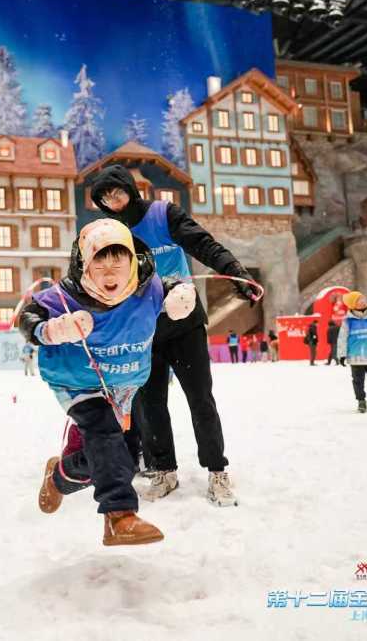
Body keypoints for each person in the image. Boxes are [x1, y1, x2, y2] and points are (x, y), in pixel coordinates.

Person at [89, 166, 257, 505]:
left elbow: (202, 244)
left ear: (129, 188)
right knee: (151, 405)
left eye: (116, 191)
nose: (112, 200)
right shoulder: (109, 232)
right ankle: (163, 469)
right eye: (104, 197)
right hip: (142, 330)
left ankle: (217, 471)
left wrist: (234, 271)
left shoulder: (162, 214)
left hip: (184, 323)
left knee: (201, 399)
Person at [22, 218, 195, 545]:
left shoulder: (150, 289)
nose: (110, 268)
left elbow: (174, 285)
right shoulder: (65, 297)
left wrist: (181, 295)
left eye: (118, 257)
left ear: (133, 259)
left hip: (124, 385)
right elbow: (28, 316)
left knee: (114, 459)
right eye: (100, 259)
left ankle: (59, 476)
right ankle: (119, 517)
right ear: (86, 263)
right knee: (104, 434)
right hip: (77, 382)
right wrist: (50, 331)